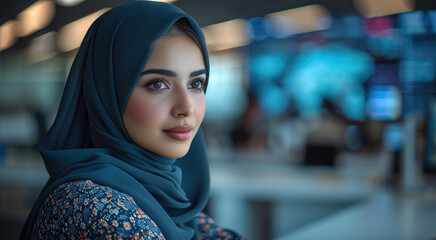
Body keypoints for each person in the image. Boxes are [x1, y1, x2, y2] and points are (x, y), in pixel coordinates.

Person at [19, 2, 246, 239]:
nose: (186, 107)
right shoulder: (93, 205)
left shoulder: (169, 195)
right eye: (158, 84)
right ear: (107, 92)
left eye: (195, 84)